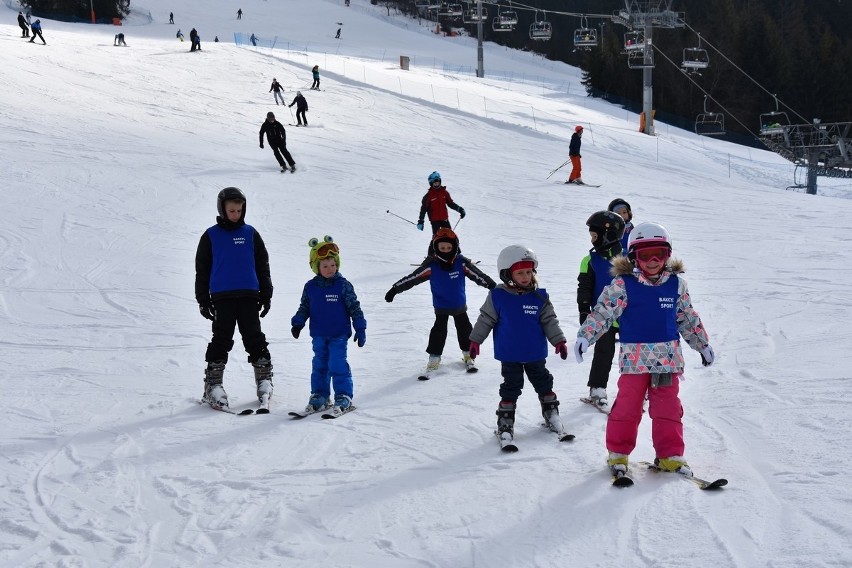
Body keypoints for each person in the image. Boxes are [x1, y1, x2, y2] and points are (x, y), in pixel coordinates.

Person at [574, 222, 714, 480]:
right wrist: (586, 336)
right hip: (635, 361)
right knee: (628, 407)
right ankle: (618, 453)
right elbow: (603, 312)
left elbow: (687, 318)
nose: (652, 261)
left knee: (668, 408)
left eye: (659, 254)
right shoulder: (622, 284)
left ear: (668, 255)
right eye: (645, 255)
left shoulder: (675, 285)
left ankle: (670, 455)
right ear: (633, 256)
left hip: (668, 360)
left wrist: (702, 345)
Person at [469, 245, 570, 443]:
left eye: (529, 271)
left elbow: (550, 320)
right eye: (520, 272)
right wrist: (475, 340)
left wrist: (558, 340)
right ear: (508, 274)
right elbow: (486, 319)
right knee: (511, 386)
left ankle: (551, 413)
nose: (526, 276)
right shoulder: (498, 296)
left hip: (535, 353)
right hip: (510, 354)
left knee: (543, 382)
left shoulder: (540, 297)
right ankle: (505, 421)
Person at [195, 187, 274, 411]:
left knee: (254, 337)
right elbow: (202, 269)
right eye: (231, 210)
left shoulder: (250, 233)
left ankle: (264, 379)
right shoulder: (210, 236)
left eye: (239, 210)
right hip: (222, 297)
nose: (236, 214)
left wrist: (266, 294)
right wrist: (203, 298)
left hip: (249, 295)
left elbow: (262, 266)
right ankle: (213, 384)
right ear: (222, 209)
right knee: (221, 338)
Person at [384, 228, 495, 378]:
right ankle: (434, 357)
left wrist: (490, 285)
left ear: (455, 247)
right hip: (441, 306)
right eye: (442, 248)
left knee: (465, 329)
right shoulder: (432, 265)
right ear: (435, 247)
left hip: (459, 305)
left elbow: (477, 275)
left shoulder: (461, 263)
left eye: (449, 248)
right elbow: (413, 278)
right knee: (439, 331)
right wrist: (395, 289)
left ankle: (468, 354)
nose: (445, 250)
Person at [291, 236, 366, 415]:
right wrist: (298, 322)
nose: (330, 269)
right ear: (316, 267)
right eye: (325, 266)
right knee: (319, 365)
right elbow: (304, 307)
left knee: (337, 363)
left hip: (339, 334)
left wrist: (360, 327)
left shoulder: (343, 285)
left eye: (333, 265)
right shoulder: (310, 287)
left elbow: (354, 307)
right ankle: (320, 396)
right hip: (319, 334)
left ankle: (343, 396)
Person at [576, 210, 625, 409]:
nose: (592, 240)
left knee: (632, 351)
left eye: (595, 235)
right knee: (604, 351)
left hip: (627, 315)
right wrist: (583, 309)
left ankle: (638, 388)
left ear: (608, 235)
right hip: (602, 316)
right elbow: (584, 286)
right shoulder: (590, 260)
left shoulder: (628, 259)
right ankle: (597, 388)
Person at [416, 171, 466, 238]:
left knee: (450, 236)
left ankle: (454, 248)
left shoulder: (444, 193)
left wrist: (460, 209)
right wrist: (421, 221)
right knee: (436, 238)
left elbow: (450, 204)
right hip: (434, 221)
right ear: (431, 183)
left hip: (444, 219)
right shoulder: (428, 196)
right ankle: (433, 248)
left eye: (438, 182)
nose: (436, 184)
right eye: (434, 183)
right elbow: (423, 210)